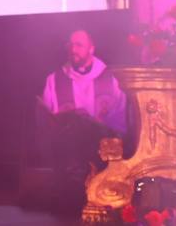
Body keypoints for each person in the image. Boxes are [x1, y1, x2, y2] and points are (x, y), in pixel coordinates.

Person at [36, 29, 125, 205]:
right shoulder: (55, 80)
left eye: (79, 45)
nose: (73, 49)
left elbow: (119, 114)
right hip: (69, 148)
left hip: (101, 142)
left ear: (91, 49)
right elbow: (49, 118)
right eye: (70, 44)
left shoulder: (111, 78)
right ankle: (71, 198)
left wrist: (96, 122)